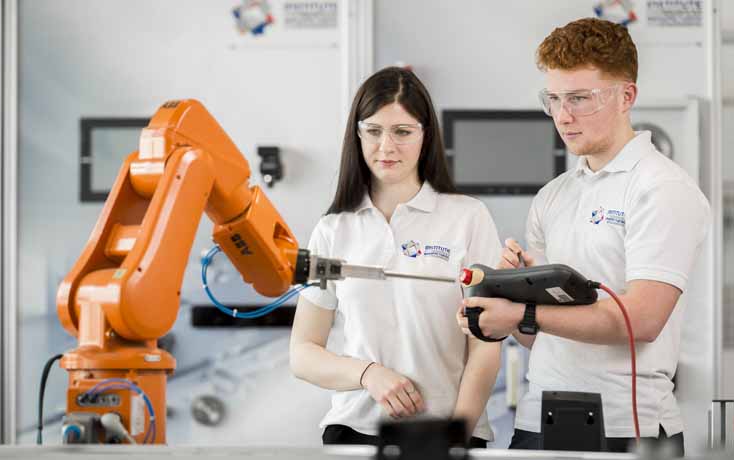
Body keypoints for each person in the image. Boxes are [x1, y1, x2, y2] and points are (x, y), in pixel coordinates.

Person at [455, 18, 709, 456]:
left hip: (628, 428)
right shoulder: (553, 196)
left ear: (626, 95)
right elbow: (539, 338)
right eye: (553, 99)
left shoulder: (660, 188)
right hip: (538, 421)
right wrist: (508, 297)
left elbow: (642, 321)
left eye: (579, 99)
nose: (563, 116)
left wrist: (520, 313)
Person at [290, 66, 503, 447]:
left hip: (450, 434)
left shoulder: (467, 218)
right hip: (354, 432)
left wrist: (454, 436)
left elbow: (485, 349)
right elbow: (303, 353)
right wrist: (368, 374)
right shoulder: (334, 229)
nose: (386, 147)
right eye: (373, 131)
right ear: (357, 136)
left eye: (402, 132)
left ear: (426, 136)